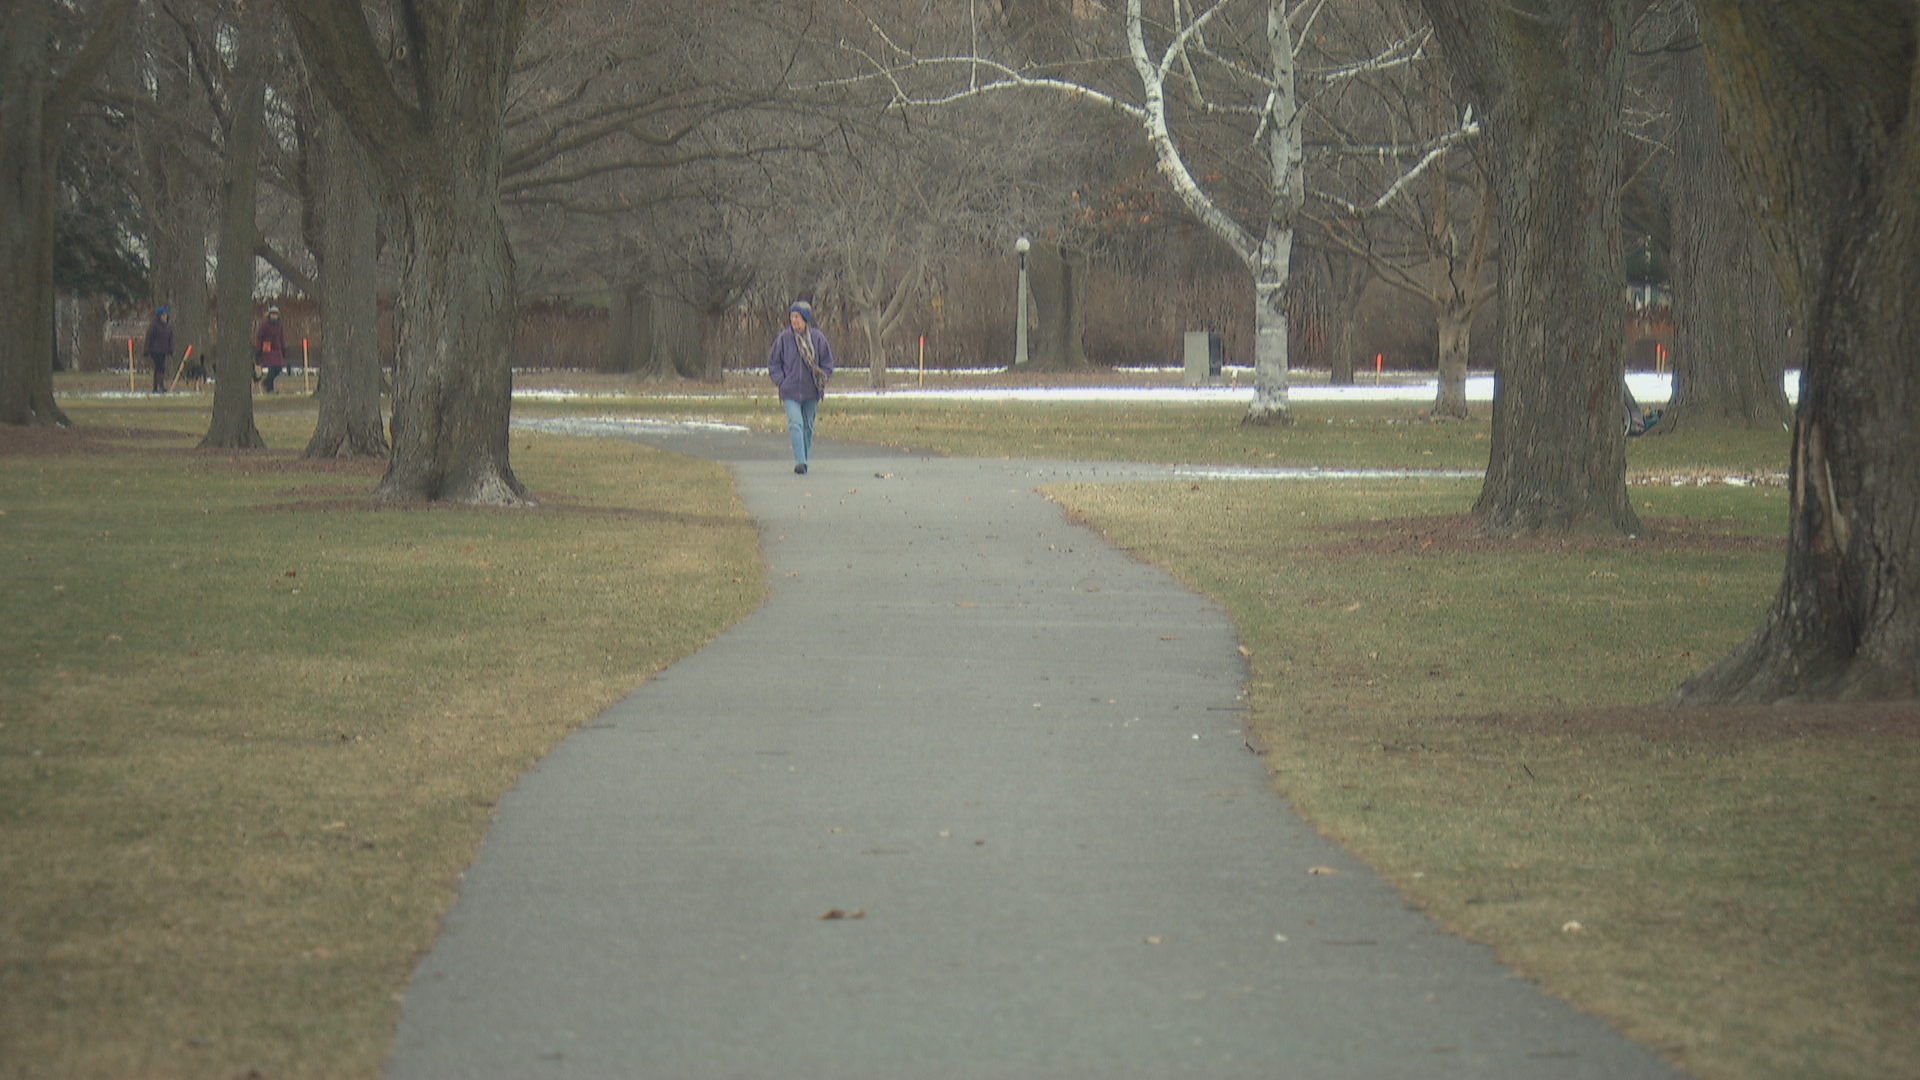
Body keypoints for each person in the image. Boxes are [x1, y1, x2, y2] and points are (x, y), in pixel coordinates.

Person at [767, 299, 833, 474]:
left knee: (808, 426)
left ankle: (804, 456)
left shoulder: (818, 338)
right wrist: (782, 381)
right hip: (790, 391)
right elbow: (773, 363)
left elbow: (827, 362)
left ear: (805, 319)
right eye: (792, 316)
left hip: (812, 391)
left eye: (797, 317)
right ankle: (800, 461)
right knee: (795, 423)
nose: (794, 320)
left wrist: (824, 377)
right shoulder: (784, 338)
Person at [254, 305, 288, 393]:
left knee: (278, 368)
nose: (274, 316)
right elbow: (259, 337)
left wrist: (284, 348)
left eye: (275, 315)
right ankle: (269, 388)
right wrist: (258, 349)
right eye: (272, 314)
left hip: (277, 348)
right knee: (273, 367)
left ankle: (267, 383)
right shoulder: (264, 324)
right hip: (267, 347)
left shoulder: (279, 325)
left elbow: (282, 337)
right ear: (269, 315)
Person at [143, 307, 174, 393]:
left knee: (160, 368)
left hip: (164, 350)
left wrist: (171, 349)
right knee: (160, 367)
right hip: (155, 350)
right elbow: (149, 337)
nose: (165, 317)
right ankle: (159, 386)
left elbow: (171, 339)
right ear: (159, 316)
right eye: (163, 315)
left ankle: (157, 386)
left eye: (166, 315)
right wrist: (146, 349)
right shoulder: (154, 326)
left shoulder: (168, 327)